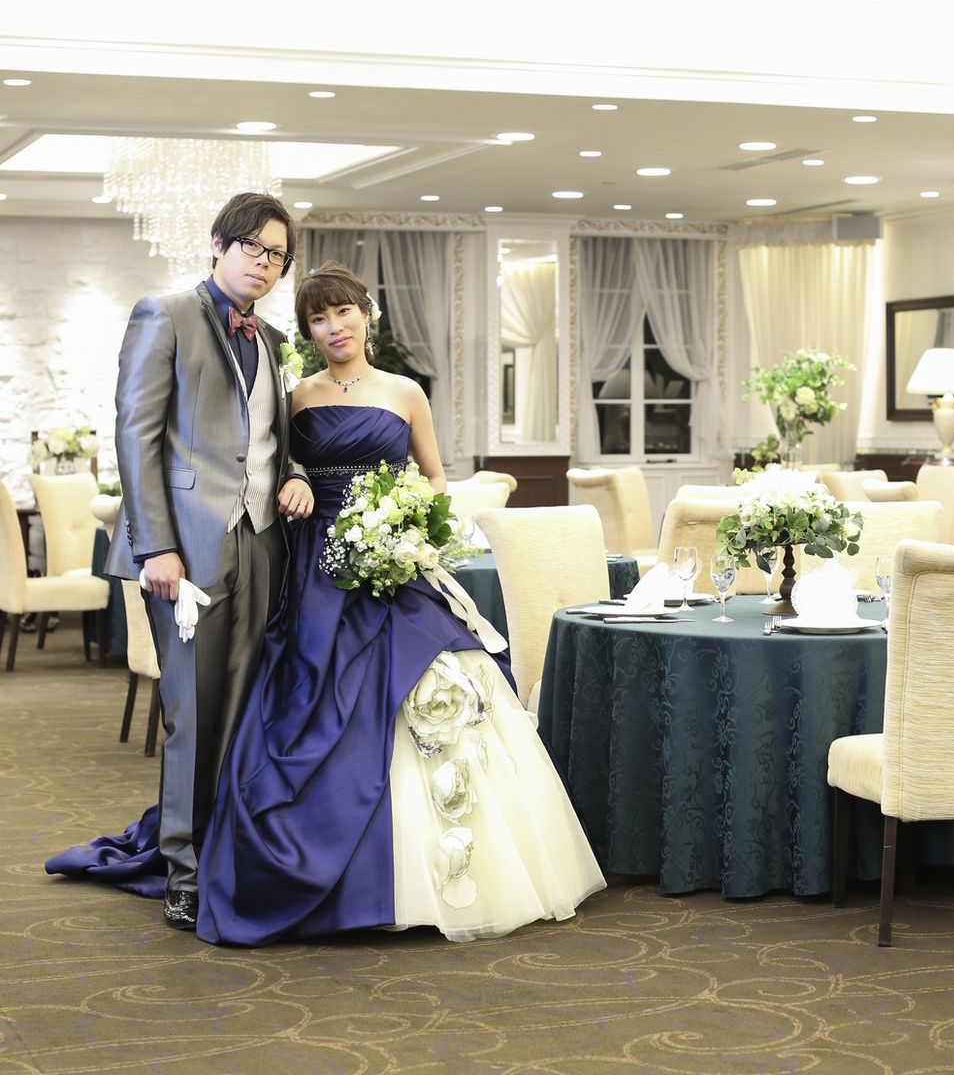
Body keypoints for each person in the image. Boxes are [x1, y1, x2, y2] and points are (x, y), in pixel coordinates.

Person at [48, 261, 605, 946]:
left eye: (344, 312)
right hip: (312, 561)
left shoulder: (406, 392)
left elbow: (434, 478)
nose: (334, 326)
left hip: (393, 559)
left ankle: (448, 872)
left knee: (436, 683)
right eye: (318, 317)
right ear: (308, 331)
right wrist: (301, 478)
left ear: (368, 316)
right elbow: (272, 462)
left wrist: (405, 525)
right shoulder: (296, 394)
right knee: (300, 689)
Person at [100, 192, 314, 931]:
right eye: (253, 246)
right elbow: (136, 435)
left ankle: (228, 851)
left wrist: (296, 476)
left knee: (248, 707)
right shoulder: (163, 315)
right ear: (218, 244)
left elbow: (278, 442)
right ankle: (184, 870)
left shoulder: (274, 340)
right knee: (193, 712)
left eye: (277, 255)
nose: (264, 263)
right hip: (186, 551)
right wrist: (154, 544)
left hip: (263, 540)